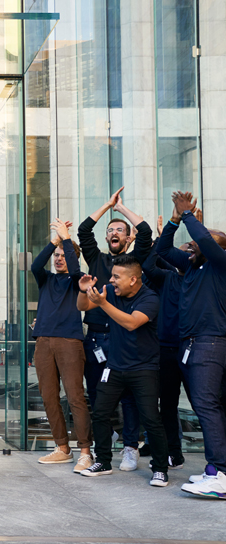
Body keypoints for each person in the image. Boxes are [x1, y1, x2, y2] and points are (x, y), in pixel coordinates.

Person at [76, 254, 170, 487]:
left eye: (117, 277)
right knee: (99, 413)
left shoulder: (150, 298)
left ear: (133, 280)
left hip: (144, 368)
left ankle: (160, 469)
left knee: (151, 419)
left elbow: (131, 322)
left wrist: (103, 303)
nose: (111, 280)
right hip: (115, 367)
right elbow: (83, 306)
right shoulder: (111, 290)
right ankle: (104, 462)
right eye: (112, 276)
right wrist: (83, 290)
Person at [156, 192, 226, 498]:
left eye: (205, 240)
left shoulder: (220, 264)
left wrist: (189, 216)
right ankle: (214, 470)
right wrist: (174, 219)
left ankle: (221, 473)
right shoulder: (193, 265)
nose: (195, 243)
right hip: (193, 343)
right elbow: (161, 249)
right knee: (208, 406)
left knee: (207, 406)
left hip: (209, 343)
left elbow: (207, 241)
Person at [77, 187, 152, 471]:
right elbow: (85, 230)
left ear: (127, 237)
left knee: (130, 396)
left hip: (124, 337)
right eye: (110, 230)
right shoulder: (96, 259)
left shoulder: (134, 264)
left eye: (119, 230)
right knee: (97, 395)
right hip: (95, 339)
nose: (114, 233)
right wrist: (107, 205)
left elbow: (145, 233)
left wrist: (121, 209)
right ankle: (103, 447)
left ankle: (131, 447)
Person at [30, 219, 93, 473]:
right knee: (48, 396)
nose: (57, 259)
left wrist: (67, 240)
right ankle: (62, 448)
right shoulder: (45, 279)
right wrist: (54, 241)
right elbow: (35, 264)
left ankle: (86, 452)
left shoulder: (76, 280)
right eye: (55, 256)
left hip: (69, 341)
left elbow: (78, 271)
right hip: (43, 341)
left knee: (75, 396)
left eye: (62, 256)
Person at [134, 214, 191, 470]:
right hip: (167, 350)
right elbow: (147, 263)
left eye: (190, 251)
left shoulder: (202, 279)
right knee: (167, 404)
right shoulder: (167, 277)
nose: (185, 254)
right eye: (182, 251)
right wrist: (162, 237)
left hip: (194, 349)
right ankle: (174, 454)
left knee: (204, 403)